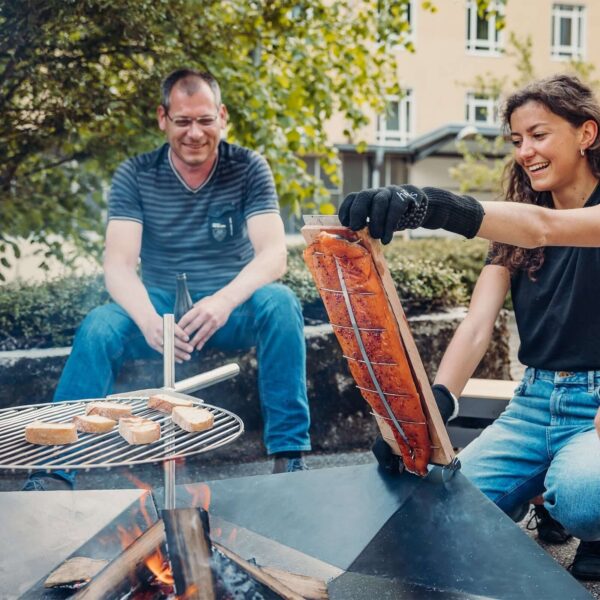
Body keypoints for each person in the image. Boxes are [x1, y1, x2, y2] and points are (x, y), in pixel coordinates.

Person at [339, 74, 600, 581]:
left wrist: (429, 206)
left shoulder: (556, 219)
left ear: (586, 133)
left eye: (539, 134)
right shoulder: (519, 224)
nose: (526, 150)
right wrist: (429, 411)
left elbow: (545, 228)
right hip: (532, 404)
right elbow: (478, 324)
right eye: (518, 140)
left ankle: (573, 506)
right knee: (437, 514)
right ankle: (540, 493)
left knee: (584, 498)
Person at [24, 68, 311, 489]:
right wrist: (148, 321)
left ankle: (290, 459)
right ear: (163, 119)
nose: (195, 133)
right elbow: (119, 265)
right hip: (159, 310)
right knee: (99, 325)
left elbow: (273, 256)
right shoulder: (135, 174)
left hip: (227, 310)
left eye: (205, 119)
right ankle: (53, 471)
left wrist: (223, 301)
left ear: (222, 116)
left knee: (281, 304)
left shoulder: (249, 167)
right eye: (182, 121)